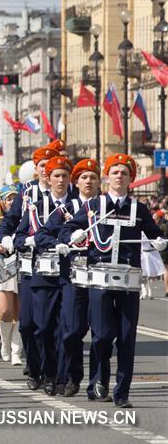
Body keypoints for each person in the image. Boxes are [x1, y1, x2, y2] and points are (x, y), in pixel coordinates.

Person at [58, 154, 166, 408]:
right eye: (115, 172)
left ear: (130, 179)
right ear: (107, 177)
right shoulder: (94, 205)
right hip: (100, 280)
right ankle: (100, 380)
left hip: (128, 281)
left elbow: (154, 234)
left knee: (127, 338)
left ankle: (122, 392)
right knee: (102, 335)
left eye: (124, 173)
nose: (119, 176)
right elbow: (68, 229)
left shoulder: (138, 209)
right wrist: (70, 235)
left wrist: (159, 241)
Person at [34, 158, 100, 397]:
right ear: (77, 182)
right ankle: (71, 376)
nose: (89, 182)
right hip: (73, 275)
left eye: (93, 177)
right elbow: (41, 235)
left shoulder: (106, 206)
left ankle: (98, 381)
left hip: (101, 275)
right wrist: (59, 243)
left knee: (102, 333)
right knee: (71, 330)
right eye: (84, 177)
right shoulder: (66, 209)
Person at [0, 145, 59, 389]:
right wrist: (4, 239)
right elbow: (9, 223)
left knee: (53, 323)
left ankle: (50, 371)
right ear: (36, 170)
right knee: (27, 323)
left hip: (59, 264)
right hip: (30, 264)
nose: (46, 171)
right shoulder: (26, 193)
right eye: (42, 166)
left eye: (51, 166)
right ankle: (33, 368)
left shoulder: (67, 193)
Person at [0, 184, 22, 366]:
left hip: (21, 267)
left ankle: (17, 351)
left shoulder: (26, 219)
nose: (11, 201)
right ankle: (5, 343)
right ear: (2, 203)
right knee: (5, 311)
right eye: (8, 198)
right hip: (3, 268)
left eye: (14, 197)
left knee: (20, 313)